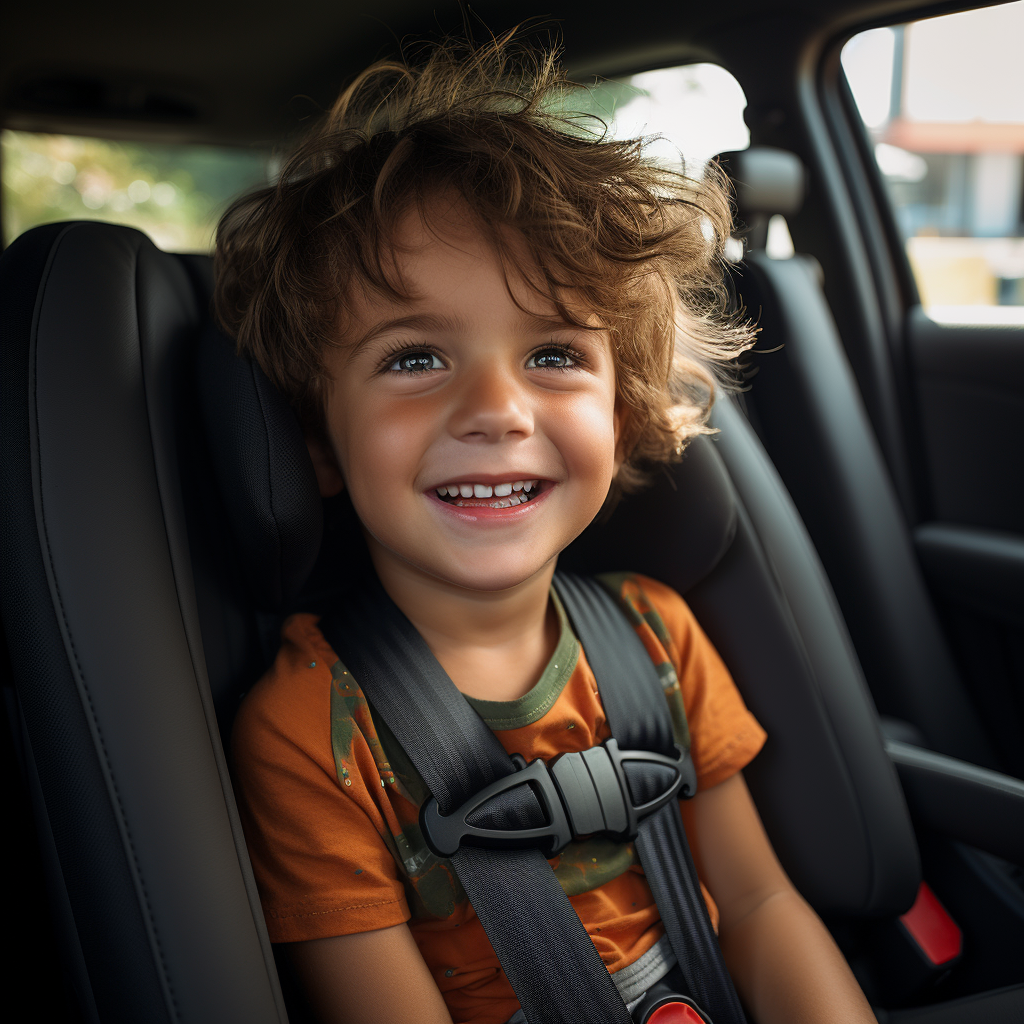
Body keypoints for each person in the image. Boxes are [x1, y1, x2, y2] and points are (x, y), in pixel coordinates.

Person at [220, 30, 877, 1024]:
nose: (496, 409)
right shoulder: (309, 732)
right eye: (412, 358)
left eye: (555, 354)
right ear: (319, 439)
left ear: (621, 420)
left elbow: (755, 901)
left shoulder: (658, 637)